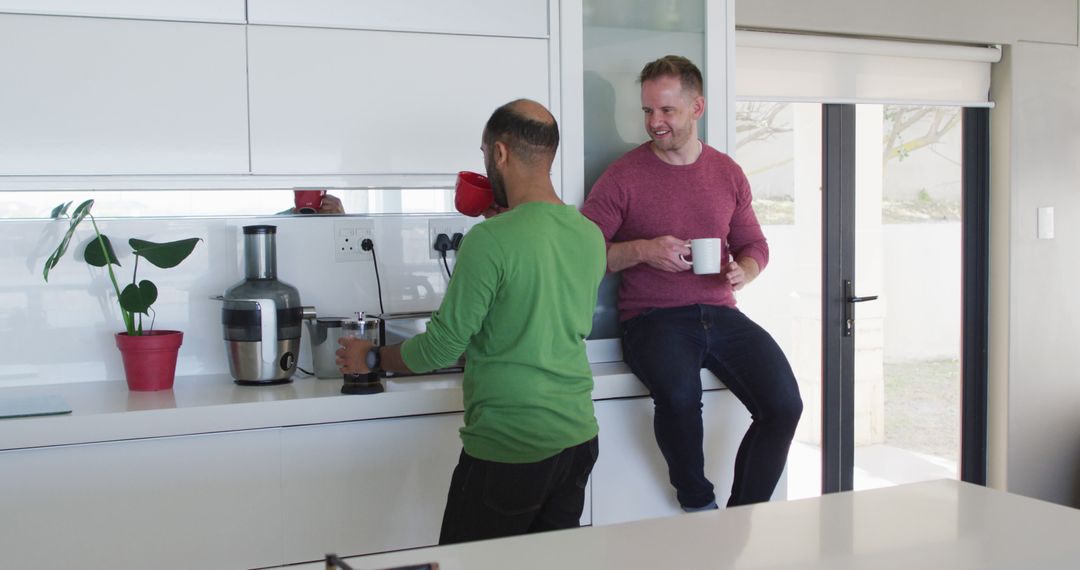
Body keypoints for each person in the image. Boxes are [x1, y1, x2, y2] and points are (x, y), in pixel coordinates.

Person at [337, 99, 606, 543]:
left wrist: (370, 356)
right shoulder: (589, 233)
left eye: (484, 154)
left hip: (512, 444)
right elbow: (539, 308)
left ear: (499, 154)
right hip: (577, 437)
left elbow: (441, 347)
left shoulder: (490, 240)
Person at [580, 55, 803, 511]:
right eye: (647, 111)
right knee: (681, 396)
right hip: (653, 318)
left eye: (666, 110)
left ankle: (742, 517)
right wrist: (643, 250)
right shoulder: (623, 176)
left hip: (721, 312)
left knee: (785, 406)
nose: (654, 122)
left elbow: (755, 244)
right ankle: (699, 505)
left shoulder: (726, 173)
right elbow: (579, 255)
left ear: (696, 107)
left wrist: (746, 269)